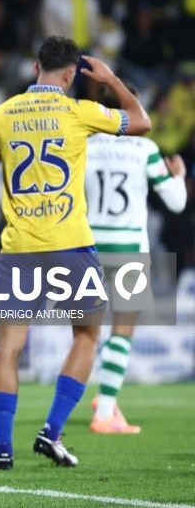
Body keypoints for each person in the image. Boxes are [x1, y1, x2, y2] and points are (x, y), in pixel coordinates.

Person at [0, 36, 151, 469]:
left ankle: (2, 448)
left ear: (36, 67)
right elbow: (141, 122)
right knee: (88, 335)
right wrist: (110, 81)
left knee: (9, 347)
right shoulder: (78, 111)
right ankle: (51, 431)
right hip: (70, 241)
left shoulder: (1, 114)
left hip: (18, 247)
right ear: (71, 75)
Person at [85, 131, 187, 434]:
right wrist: (178, 176)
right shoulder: (145, 148)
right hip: (129, 248)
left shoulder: (87, 143)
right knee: (123, 329)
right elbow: (177, 202)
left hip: (90, 245)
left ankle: (93, 402)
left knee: (88, 333)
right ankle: (105, 411)